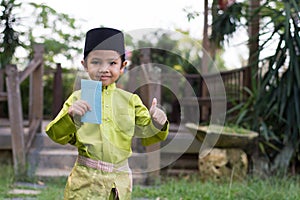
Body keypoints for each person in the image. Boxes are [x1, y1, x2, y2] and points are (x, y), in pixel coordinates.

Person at [45, 27, 169, 200]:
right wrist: (71, 117)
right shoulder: (77, 98)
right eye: (96, 62)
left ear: (123, 66)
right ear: (84, 65)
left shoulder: (131, 100)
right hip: (84, 181)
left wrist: (158, 122)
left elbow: (149, 136)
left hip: (118, 184)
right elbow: (56, 134)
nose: (104, 69)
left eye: (112, 63)